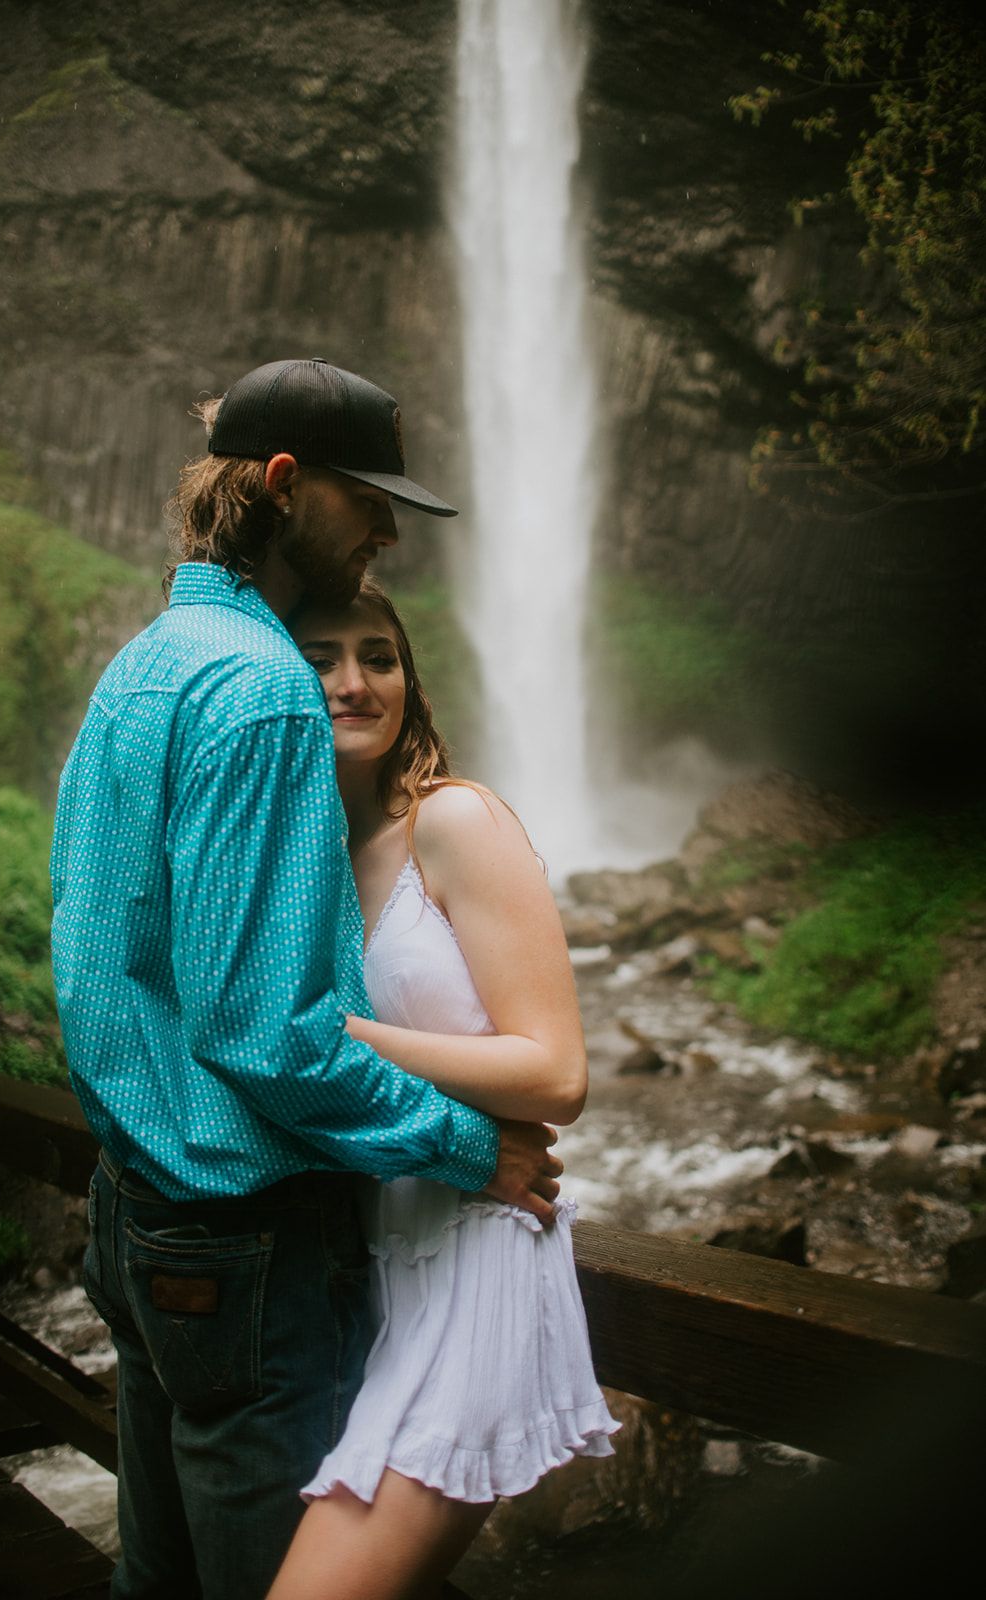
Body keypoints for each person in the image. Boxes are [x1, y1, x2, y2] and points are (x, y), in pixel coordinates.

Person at [49, 358, 562, 1600]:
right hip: (242, 1243)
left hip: (133, 1207)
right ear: (283, 485)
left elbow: (88, 939)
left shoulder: (147, 663)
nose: (386, 527)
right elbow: (267, 1033)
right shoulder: (267, 691)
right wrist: (466, 1145)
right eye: (367, 498)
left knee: (154, 1580)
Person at [268, 579, 619, 1600]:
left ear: (410, 683)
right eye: (321, 657)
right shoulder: (315, 863)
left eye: (378, 656)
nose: (352, 679)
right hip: (380, 1266)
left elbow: (556, 1072)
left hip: (479, 1255)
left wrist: (336, 1037)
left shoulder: (452, 821)